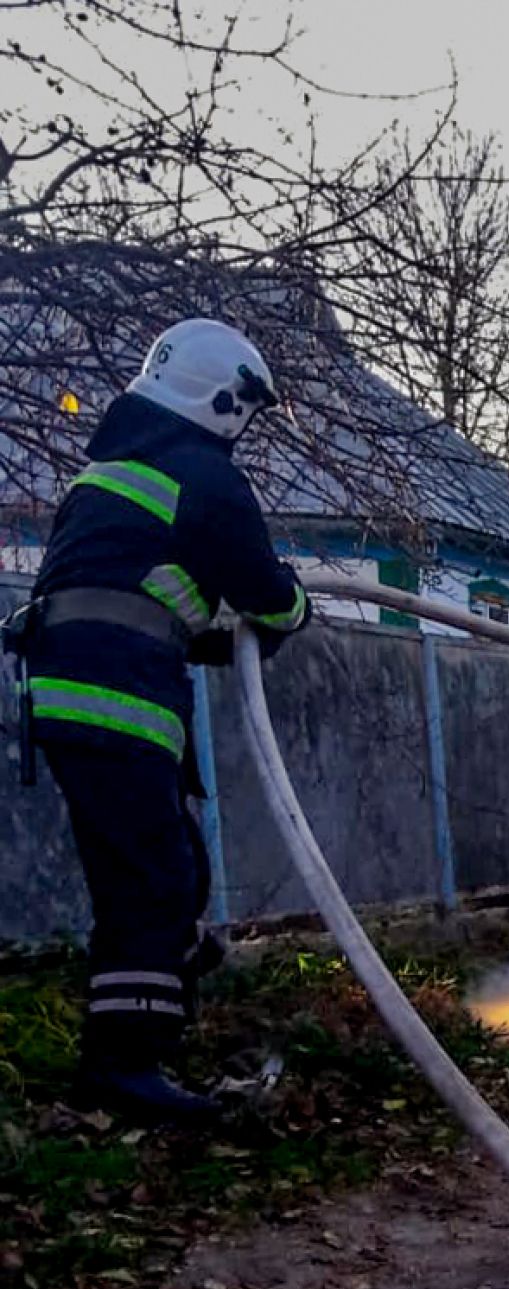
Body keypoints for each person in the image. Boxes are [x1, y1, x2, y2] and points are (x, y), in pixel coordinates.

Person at [6, 318, 310, 1123]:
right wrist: (295, 609)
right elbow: (270, 597)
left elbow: (122, 588)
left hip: (70, 688)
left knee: (163, 870)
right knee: (151, 881)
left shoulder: (107, 471)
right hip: (119, 697)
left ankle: (150, 1021)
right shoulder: (204, 476)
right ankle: (123, 1068)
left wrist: (197, 635)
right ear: (224, 400)